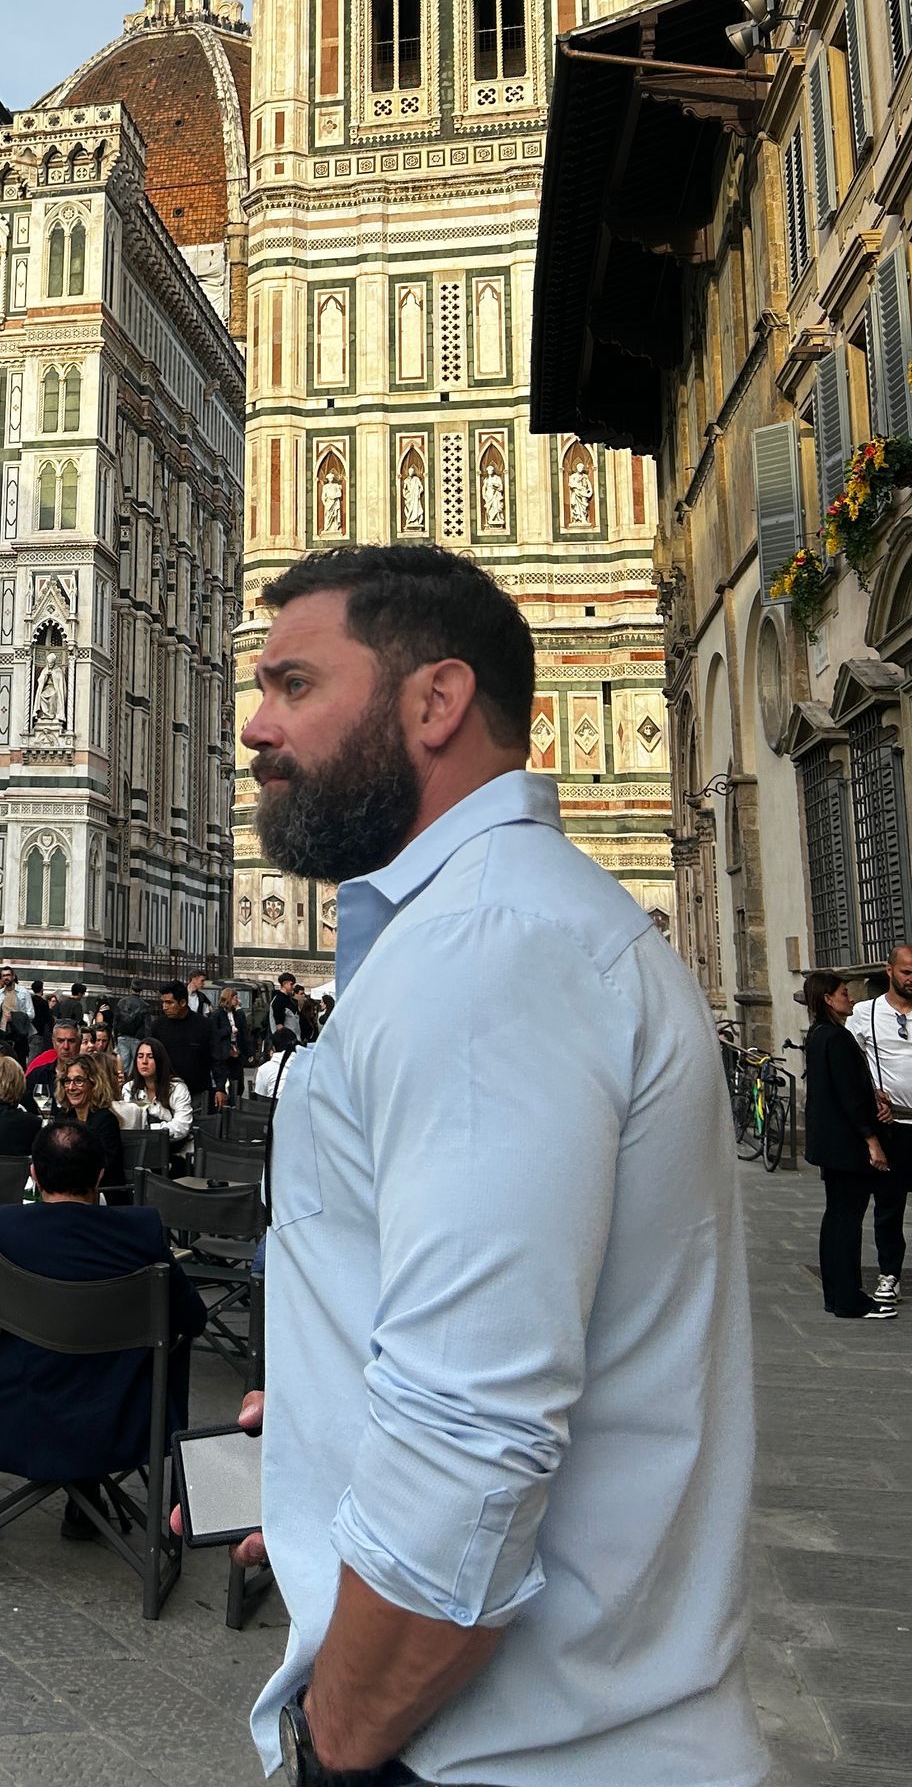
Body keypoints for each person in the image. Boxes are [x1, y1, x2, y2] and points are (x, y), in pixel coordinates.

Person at [238, 542, 760, 1785]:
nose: (256, 725)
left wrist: (340, 1738)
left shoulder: (486, 952)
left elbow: (476, 1431)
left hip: (493, 1752)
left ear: (436, 701)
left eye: (295, 684)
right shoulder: (499, 928)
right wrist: (328, 1427)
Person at [0, 1118, 205, 1536]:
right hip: (123, 1420)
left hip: (21, 1412)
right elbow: (193, 1318)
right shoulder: (139, 1231)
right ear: (100, 1176)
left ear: (33, 1173)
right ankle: (100, 1504)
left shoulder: (7, 1227)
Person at [804, 969, 893, 1321]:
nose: (851, 998)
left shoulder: (819, 1035)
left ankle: (836, 1294)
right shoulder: (837, 1038)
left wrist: (872, 1094)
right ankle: (849, 1298)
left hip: (831, 1142)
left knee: (837, 1217)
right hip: (845, 1143)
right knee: (847, 1219)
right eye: (844, 992)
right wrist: (872, 1140)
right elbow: (847, 1094)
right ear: (828, 998)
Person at [847, 941, 912, 1311]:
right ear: (889, 971)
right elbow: (851, 1063)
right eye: (906, 972)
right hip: (893, 1126)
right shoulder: (865, 1013)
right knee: (889, 1204)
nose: (911, 979)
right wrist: (871, 1093)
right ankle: (890, 1273)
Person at [51, 1051, 127, 1195]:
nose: (71, 1088)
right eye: (67, 1081)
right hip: (68, 1191)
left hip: (102, 1193)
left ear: (94, 1083)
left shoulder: (105, 1119)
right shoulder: (64, 1117)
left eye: (79, 1081)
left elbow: (103, 1166)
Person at [121, 1038, 194, 1163]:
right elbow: (130, 1124)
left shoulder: (177, 1088)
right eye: (140, 1056)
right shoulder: (129, 1088)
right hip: (141, 1153)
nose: (144, 1062)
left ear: (160, 1060)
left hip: (176, 1152)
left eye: (150, 1057)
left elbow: (182, 1125)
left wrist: (150, 1130)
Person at [149, 983, 218, 1105]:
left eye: (170, 1003)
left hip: (197, 1093)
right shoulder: (157, 1027)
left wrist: (220, 1088)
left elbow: (216, 1059)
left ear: (182, 1003)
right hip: (166, 1093)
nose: (165, 1007)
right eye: (163, 1002)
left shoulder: (204, 1026)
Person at [25, 1011, 84, 1113]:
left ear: (80, 1042)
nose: (65, 1047)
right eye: (60, 1041)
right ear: (53, 1042)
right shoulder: (38, 1075)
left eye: (71, 1041)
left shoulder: (92, 1075)